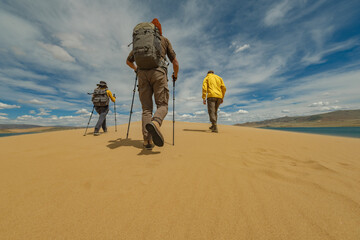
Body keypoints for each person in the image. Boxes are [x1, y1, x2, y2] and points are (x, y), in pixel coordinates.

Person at [126, 18, 179, 149]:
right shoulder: (164, 40)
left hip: (142, 75)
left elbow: (128, 61)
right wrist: (175, 75)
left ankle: (146, 141)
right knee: (162, 105)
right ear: (159, 30)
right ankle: (156, 123)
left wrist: (136, 69)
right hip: (158, 73)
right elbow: (175, 63)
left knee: (146, 109)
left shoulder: (140, 41)